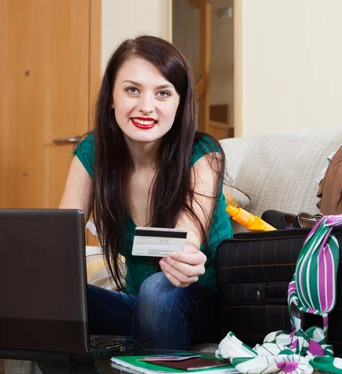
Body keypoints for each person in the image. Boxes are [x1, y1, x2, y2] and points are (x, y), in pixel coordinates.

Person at [59, 35, 233, 350]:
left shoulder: (203, 154)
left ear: (180, 104)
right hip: (142, 307)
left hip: (206, 307)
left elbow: (186, 238)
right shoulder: (93, 151)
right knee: (55, 295)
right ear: (111, 96)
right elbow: (58, 239)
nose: (146, 106)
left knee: (159, 289)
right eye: (132, 90)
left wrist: (186, 258)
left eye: (163, 93)